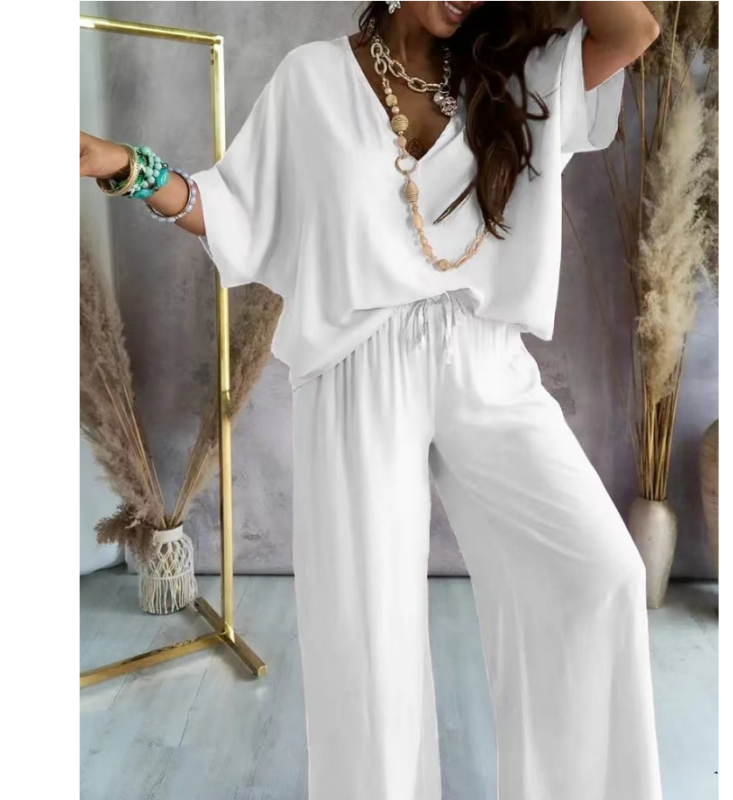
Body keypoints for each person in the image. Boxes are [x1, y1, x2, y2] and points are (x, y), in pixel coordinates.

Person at [80, 2, 662, 798]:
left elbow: (633, 32)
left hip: (484, 357)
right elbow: (238, 213)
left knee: (600, 574)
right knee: (369, 643)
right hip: (358, 372)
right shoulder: (313, 81)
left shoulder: (510, 77)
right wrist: (129, 168)